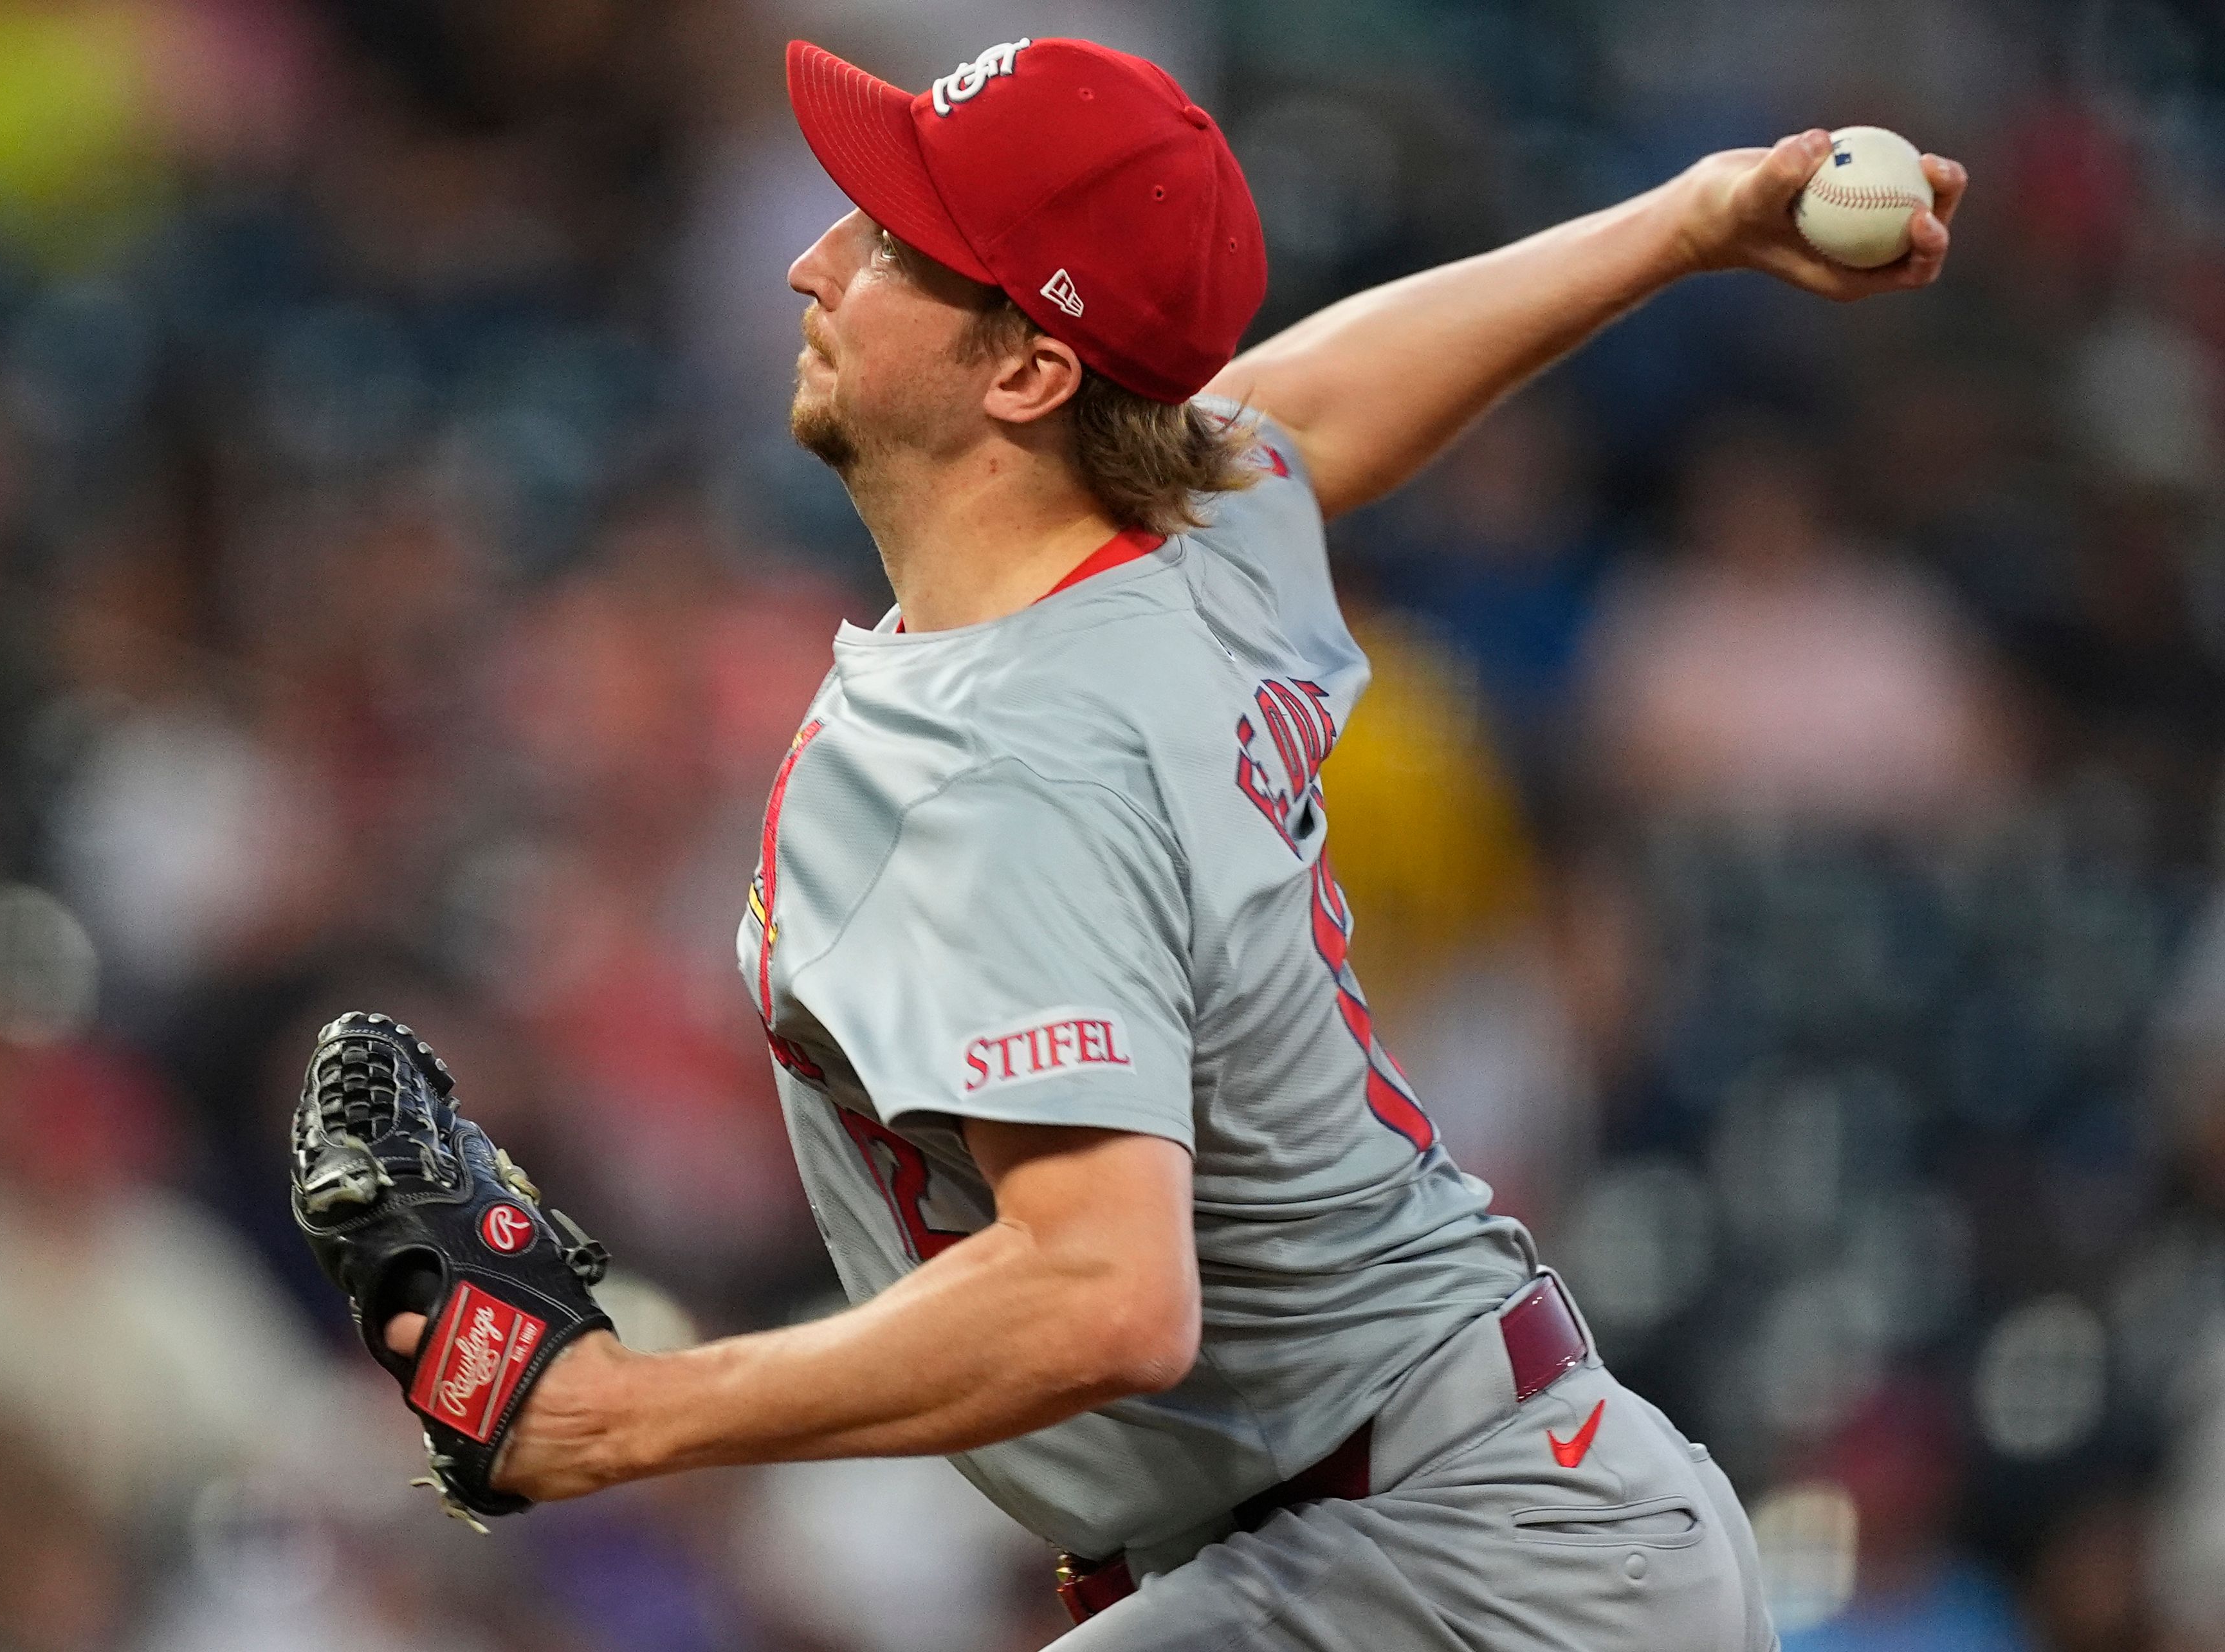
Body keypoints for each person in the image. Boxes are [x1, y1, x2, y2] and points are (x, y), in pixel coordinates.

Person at [385, 35, 1965, 1649]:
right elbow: (1316, 408)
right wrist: (1689, 223)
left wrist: (625, 1413)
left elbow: (1107, 1295)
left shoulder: (1006, 759)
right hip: (1482, 1525)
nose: (815, 259)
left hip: (1439, 1565)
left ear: (1026, 372)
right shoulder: (1179, 537)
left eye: (885, 244)